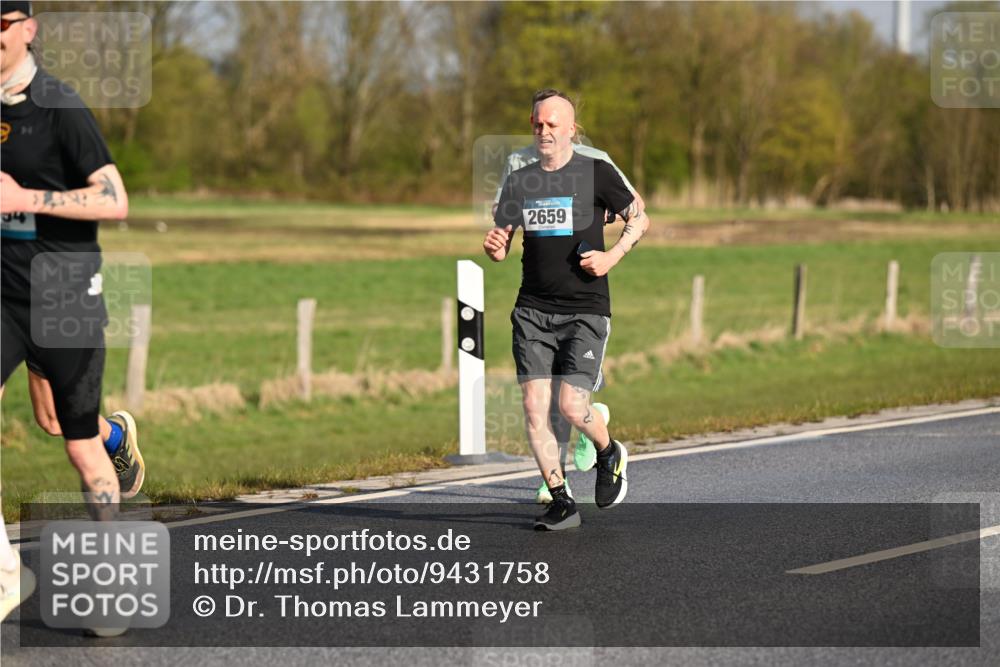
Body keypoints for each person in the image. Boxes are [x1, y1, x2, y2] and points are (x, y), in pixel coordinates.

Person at [0, 0, 141, 625]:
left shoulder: (60, 104)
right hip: (3, 294)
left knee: (72, 438)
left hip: (64, 292)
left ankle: (110, 584)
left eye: (1, 26)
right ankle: (7, 577)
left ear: (28, 30)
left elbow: (115, 200)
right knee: (50, 421)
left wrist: (25, 198)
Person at [485, 90, 649, 530]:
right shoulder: (521, 178)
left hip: (585, 307)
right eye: (538, 124)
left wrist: (611, 257)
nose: (544, 131)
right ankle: (560, 500)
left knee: (573, 407)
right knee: (535, 408)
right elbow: (501, 239)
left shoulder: (595, 170)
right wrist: (495, 245)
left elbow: (640, 217)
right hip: (532, 308)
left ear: (571, 129)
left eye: (553, 124)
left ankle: (608, 451)